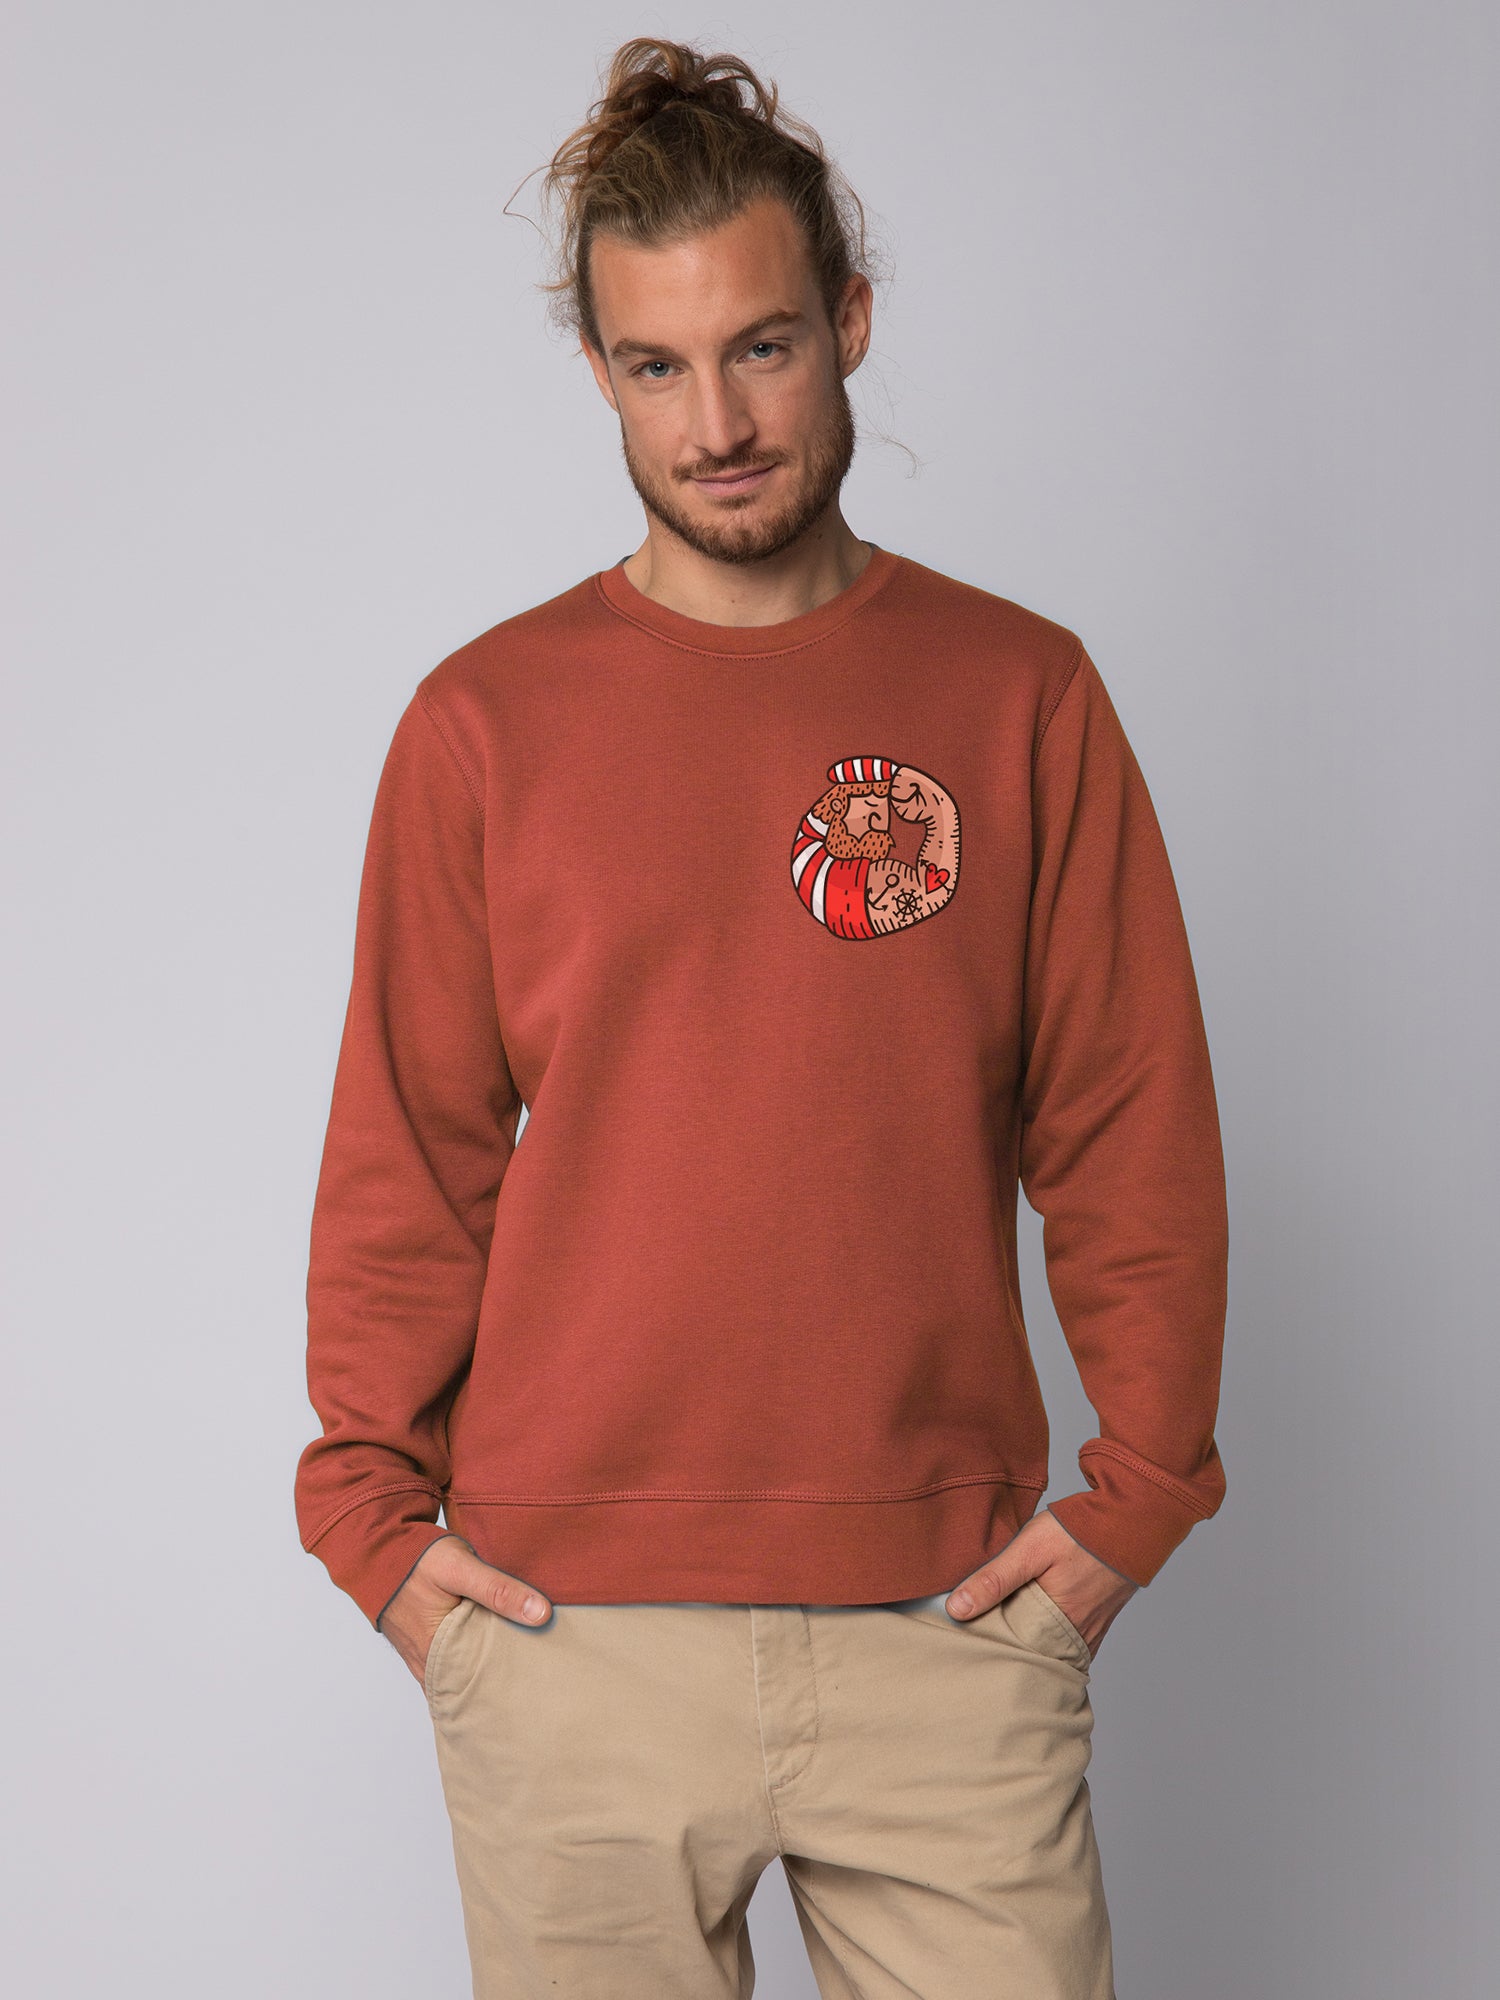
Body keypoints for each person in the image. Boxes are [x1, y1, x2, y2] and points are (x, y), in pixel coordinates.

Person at [293, 35, 1229, 2000]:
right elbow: (411, 1155)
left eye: (763, 349)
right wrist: (373, 1523)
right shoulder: (485, 726)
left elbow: (1124, 1117)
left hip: (943, 1632)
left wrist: (1139, 1493)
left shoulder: (1019, 696)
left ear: (850, 323)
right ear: (600, 372)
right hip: (569, 1643)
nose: (716, 423)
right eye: (656, 366)